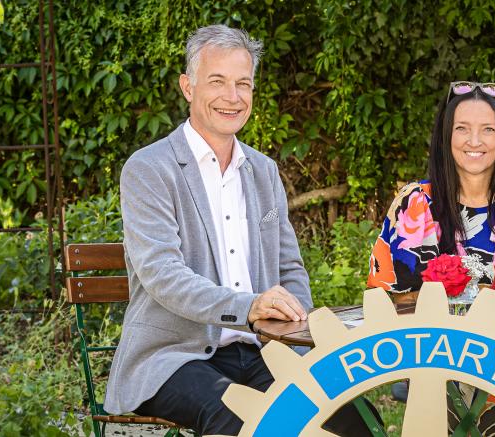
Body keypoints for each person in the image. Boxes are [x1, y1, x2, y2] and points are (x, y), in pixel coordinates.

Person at [104, 24, 371, 436]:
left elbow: (290, 269)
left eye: (243, 84)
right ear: (187, 87)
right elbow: (161, 273)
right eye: (218, 82)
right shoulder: (149, 168)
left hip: (262, 350)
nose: (232, 97)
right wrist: (247, 307)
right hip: (175, 357)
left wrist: (294, 332)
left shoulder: (263, 171)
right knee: (242, 418)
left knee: (349, 413)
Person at [367, 81, 495, 311]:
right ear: (446, 136)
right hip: (433, 344)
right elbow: (402, 305)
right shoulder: (415, 202)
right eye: (462, 128)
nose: (474, 141)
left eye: (488, 129)